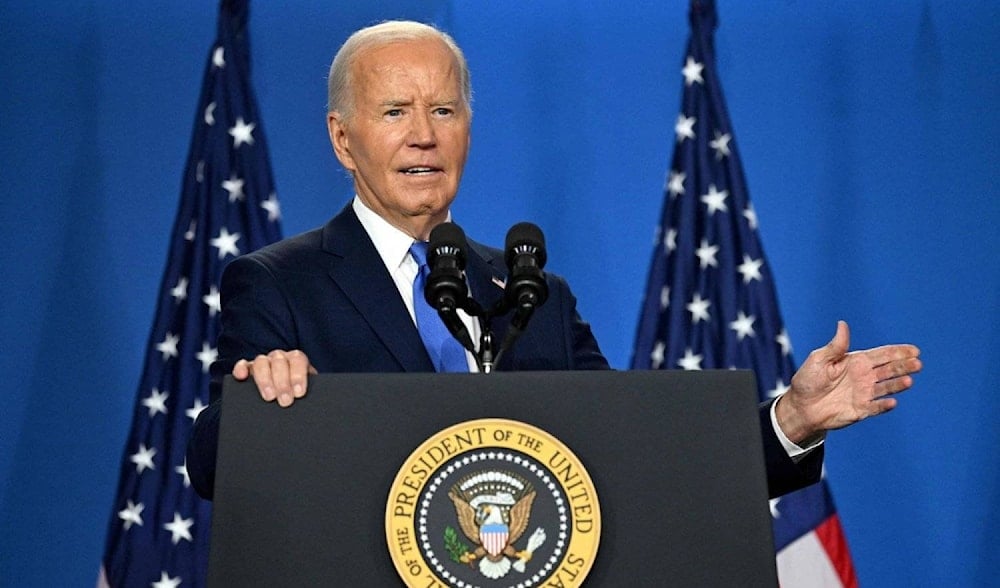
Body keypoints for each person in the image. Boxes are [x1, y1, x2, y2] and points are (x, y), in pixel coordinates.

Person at [187, 20, 921, 501]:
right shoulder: (278, 283)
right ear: (343, 141)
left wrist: (789, 421)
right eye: (394, 113)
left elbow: (636, 458)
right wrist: (259, 407)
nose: (423, 137)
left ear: (469, 130)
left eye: (443, 111)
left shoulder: (534, 295)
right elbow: (212, 464)